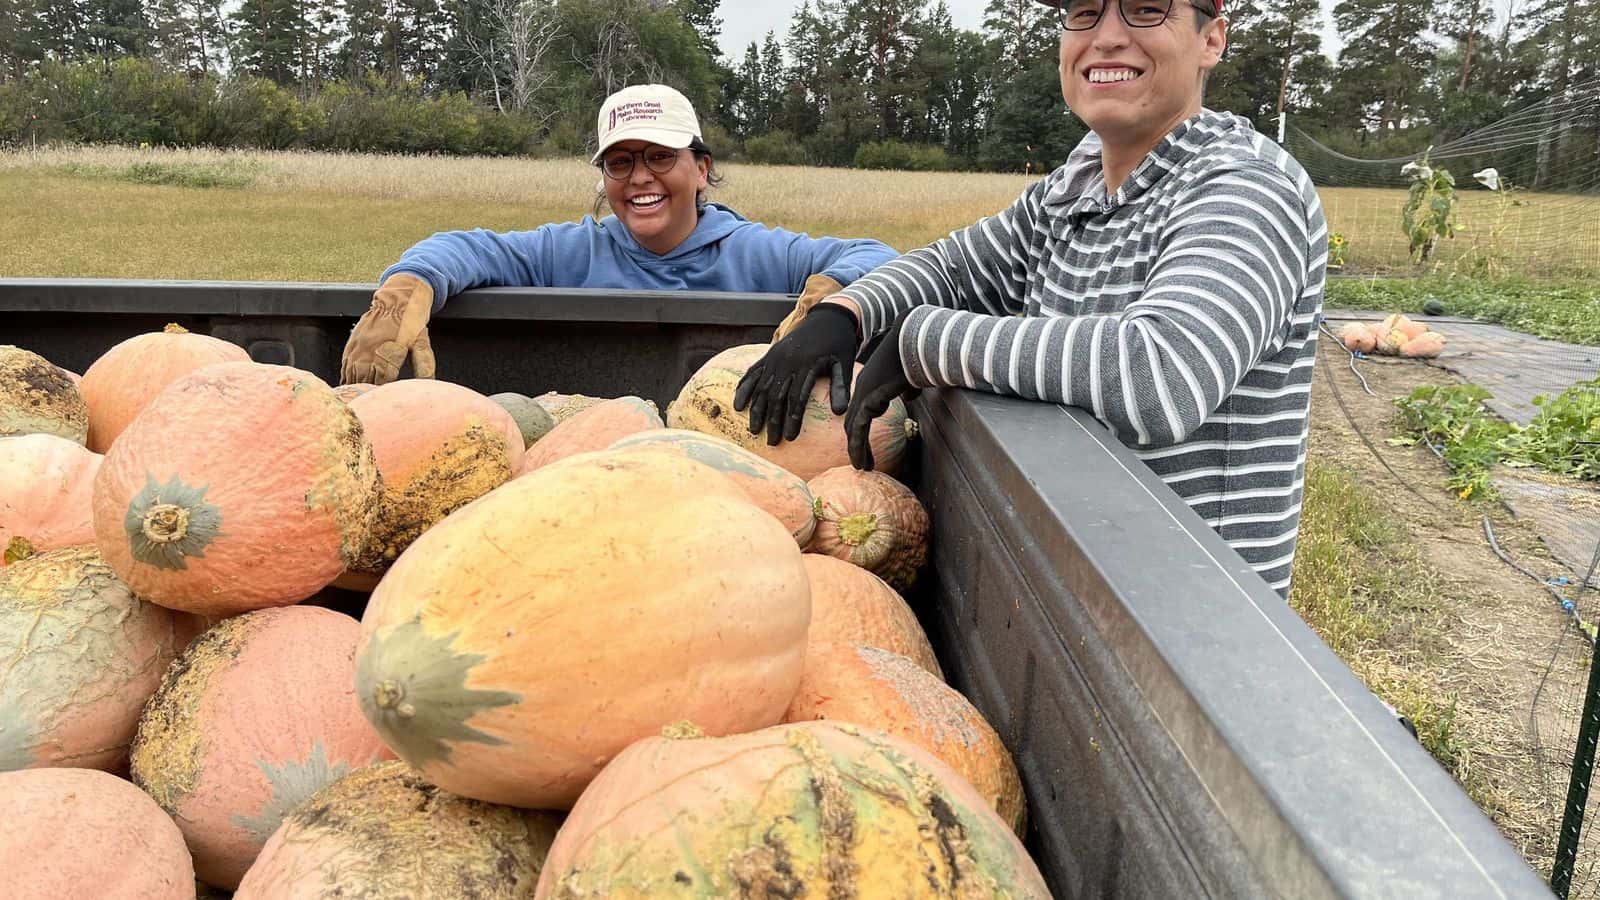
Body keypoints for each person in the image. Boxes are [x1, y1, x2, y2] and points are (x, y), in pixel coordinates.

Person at [736, 0, 1328, 598]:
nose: (1108, 38)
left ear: (1211, 40)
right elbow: (956, 267)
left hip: (1192, 615)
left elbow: (1163, 375)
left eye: (1147, 10)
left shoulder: (1245, 186)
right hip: (1086, 584)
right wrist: (845, 315)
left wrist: (923, 341)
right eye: (1086, 13)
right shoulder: (1075, 188)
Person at [340, 83, 899, 385]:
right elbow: (467, 246)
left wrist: (832, 303)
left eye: (660, 157)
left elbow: (877, 256)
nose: (640, 178)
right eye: (621, 163)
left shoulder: (754, 252)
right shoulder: (572, 251)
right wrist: (407, 289)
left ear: (700, 169)